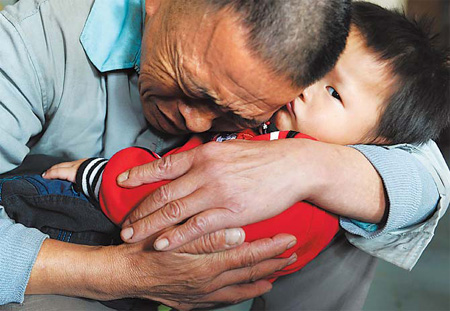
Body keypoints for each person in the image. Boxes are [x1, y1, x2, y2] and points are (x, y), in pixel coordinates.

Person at [0, 0, 448, 310]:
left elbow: (426, 174)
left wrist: (310, 168)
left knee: (353, 209)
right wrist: (121, 274)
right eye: (191, 87)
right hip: (57, 238)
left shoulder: (302, 47)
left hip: (207, 252)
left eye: (236, 111)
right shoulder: (29, 42)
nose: (196, 123)